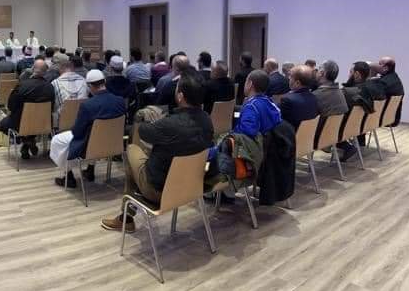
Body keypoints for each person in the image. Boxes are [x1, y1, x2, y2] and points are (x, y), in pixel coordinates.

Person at [102, 70, 213, 232]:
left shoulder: (170, 125)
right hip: (190, 187)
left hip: (159, 190)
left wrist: (148, 117)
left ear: (180, 96)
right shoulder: (207, 120)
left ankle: (126, 218)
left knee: (131, 149)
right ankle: (128, 213)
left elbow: (143, 132)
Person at [50, 70, 127, 188]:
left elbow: (77, 132)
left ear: (90, 86)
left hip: (91, 146)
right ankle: (90, 169)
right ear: (104, 82)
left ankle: (69, 176)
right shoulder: (120, 101)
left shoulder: (88, 105)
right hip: (114, 144)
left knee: (57, 140)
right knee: (95, 135)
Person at [0, 60, 54, 160]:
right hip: (43, 123)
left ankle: (23, 140)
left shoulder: (22, 85)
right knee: (32, 124)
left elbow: (10, 106)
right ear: (46, 72)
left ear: (32, 69)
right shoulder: (50, 87)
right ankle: (27, 142)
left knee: (1, 125)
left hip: (21, 123)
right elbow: (52, 107)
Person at [234, 70, 282, 139]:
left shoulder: (250, 107)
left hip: (254, 143)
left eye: (246, 81)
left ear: (250, 84)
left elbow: (245, 133)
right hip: (268, 141)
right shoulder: (270, 102)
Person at [278, 65, 319, 131]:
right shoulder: (314, 98)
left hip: (290, 136)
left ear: (297, 83)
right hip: (308, 136)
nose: (289, 79)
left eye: (290, 77)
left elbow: (277, 120)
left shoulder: (287, 99)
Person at [376, 56, 404, 125]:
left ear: (385, 68)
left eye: (379, 64)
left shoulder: (383, 82)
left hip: (381, 119)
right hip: (392, 118)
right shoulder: (395, 78)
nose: (377, 66)